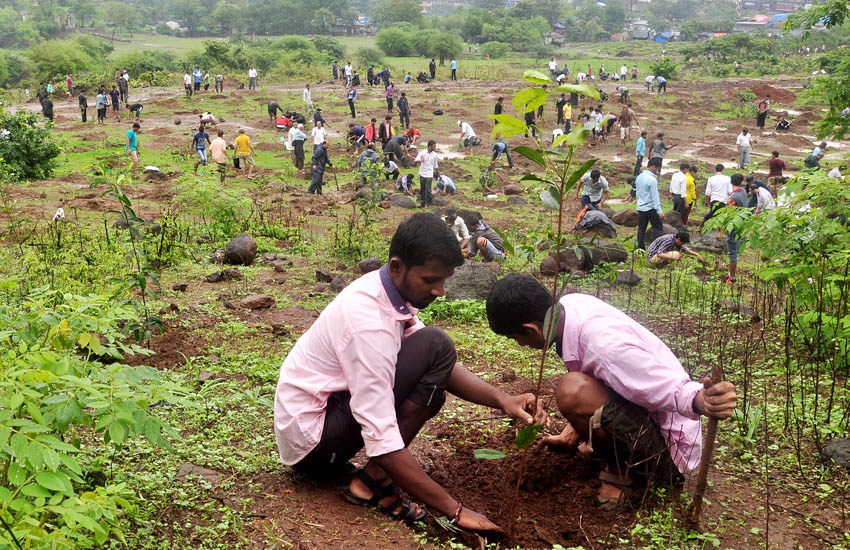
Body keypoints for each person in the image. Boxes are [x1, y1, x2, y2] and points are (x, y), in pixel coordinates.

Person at [275, 214, 543, 535]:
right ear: (397, 266)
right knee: (437, 345)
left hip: (321, 426)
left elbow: (438, 364)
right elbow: (382, 440)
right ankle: (373, 483)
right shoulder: (369, 322)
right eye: (430, 280)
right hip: (314, 443)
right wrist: (456, 511)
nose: (440, 291)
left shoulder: (387, 291)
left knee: (435, 363)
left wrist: (504, 401)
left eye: (444, 279)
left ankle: (369, 483)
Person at [485, 274, 737, 509]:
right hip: (645, 420)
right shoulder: (569, 307)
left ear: (531, 329)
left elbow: (671, 388)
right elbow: (608, 380)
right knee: (577, 387)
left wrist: (701, 400)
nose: (520, 345)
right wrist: (575, 429)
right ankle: (615, 455)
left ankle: (624, 472)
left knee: (571, 390)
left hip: (669, 455)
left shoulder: (604, 343)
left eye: (514, 338)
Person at [635, 157, 665, 250]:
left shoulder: (639, 177)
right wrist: (659, 211)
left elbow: (638, 192)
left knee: (641, 230)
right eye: (657, 168)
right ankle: (658, 248)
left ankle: (640, 249)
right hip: (651, 208)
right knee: (658, 228)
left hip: (641, 207)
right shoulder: (652, 180)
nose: (657, 171)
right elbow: (655, 197)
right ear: (652, 166)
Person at [723, 176, 748, 284]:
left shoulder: (733, 198)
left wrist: (722, 230)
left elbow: (729, 215)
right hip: (742, 225)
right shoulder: (743, 192)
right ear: (742, 182)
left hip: (733, 226)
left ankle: (732, 277)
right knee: (734, 251)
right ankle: (729, 273)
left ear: (731, 182)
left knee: (732, 253)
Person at [414, 140, 438, 208]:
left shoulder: (435, 155)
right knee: (423, 189)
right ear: (430, 146)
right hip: (422, 173)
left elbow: (436, 166)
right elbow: (415, 161)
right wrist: (420, 160)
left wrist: (439, 175)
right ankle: (423, 203)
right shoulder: (422, 153)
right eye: (434, 146)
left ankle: (429, 204)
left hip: (430, 174)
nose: (435, 147)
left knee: (428, 190)